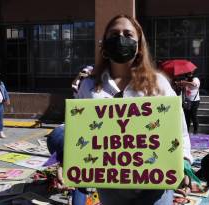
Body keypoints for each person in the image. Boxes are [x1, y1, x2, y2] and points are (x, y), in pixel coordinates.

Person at [49, 14, 193, 205]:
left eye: (128, 34)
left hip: (155, 185)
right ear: (105, 43)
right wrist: (67, 158)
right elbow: (78, 128)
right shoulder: (90, 85)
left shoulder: (159, 84)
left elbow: (179, 130)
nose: (121, 38)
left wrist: (184, 162)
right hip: (111, 188)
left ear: (139, 45)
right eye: (114, 34)